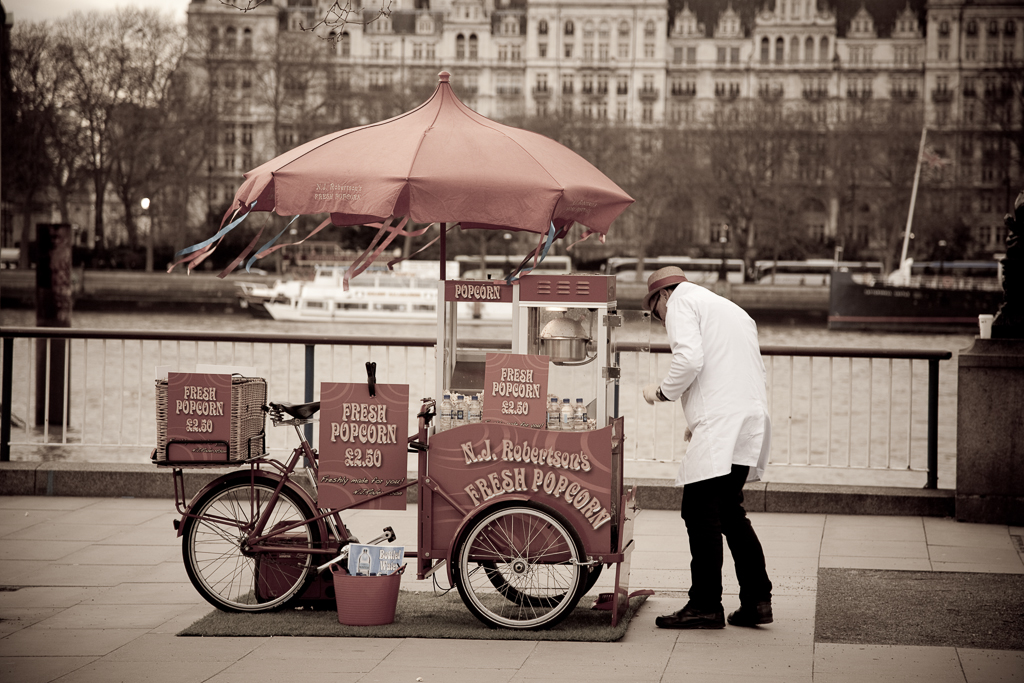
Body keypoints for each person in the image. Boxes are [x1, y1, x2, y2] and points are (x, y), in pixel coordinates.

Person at [641, 266, 773, 629]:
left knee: (699, 513)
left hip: (722, 423)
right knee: (731, 513)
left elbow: (690, 359)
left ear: (662, 296)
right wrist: (698, 419)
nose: (660, 319)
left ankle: (704, 605)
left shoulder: (681, 303)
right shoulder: (731, 309)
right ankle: (758, 601)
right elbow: (733, 369)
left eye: (657, 313)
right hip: (746, 418)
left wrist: (662, 392)